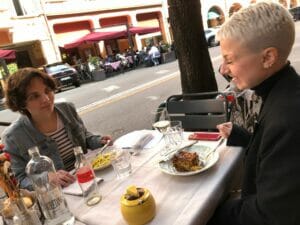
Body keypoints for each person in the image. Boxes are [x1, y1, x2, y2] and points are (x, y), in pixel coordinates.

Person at [207, 2, 300, 225]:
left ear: (268, 58)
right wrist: (242, 136)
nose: (223, 69)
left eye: (230, 59)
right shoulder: (283, 93)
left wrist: (207, 214)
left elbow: (269, 215)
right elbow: (274, 154)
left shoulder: (288, 118)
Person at [1, 68, 112, 191]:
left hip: (89, 177)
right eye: (35, 96)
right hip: (58, 194)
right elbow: (21, 180)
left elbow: (85, 137)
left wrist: (99, 141)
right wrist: (47, 179)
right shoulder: (13, 137)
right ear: (21, 103)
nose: (46, 99)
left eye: (47, 91)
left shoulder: (67, 109)